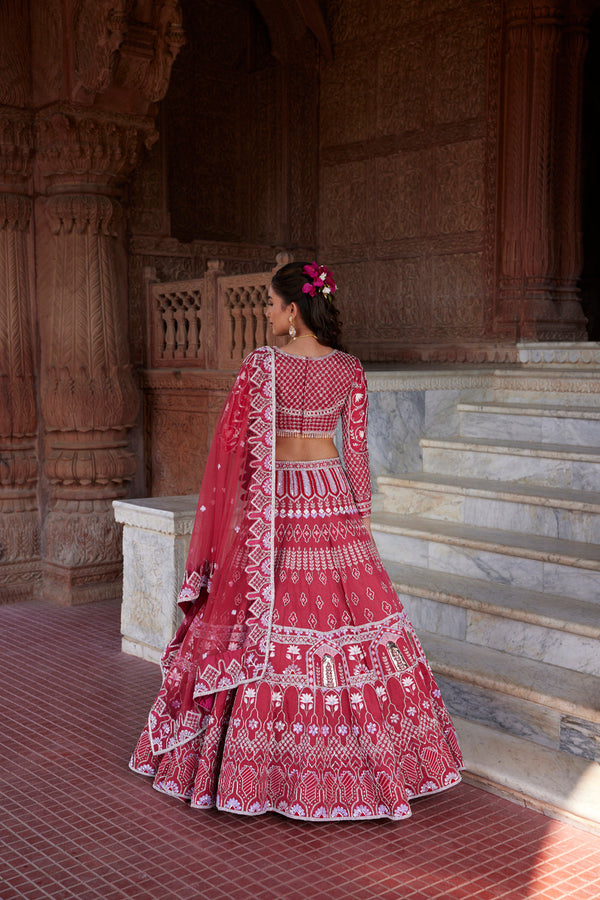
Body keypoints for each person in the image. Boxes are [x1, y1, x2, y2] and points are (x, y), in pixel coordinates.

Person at [129, 261, 464, 820]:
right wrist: (359, 519)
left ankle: (260, 767)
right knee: (344, 622)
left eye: (269, 303)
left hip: (276, 502)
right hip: (332, 495)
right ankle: (374, 760)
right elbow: (356, 451)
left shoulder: (262, 367)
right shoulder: (349, 369)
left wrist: (237, 520)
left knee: (266, 618)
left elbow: (233, 450)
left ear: (292, 311)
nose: (264, 312)